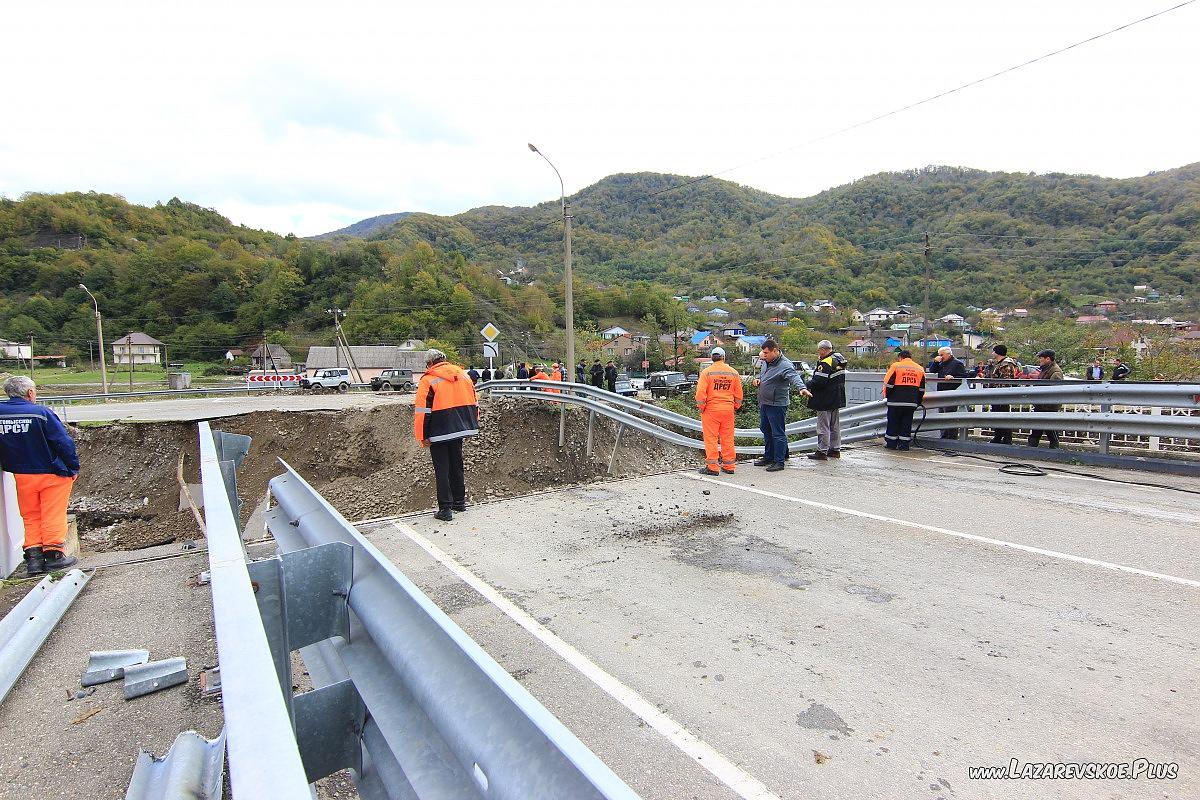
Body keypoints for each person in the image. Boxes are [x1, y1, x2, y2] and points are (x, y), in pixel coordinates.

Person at [0, 376, 79, 575]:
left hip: (22, 473)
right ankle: (54, 556)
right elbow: (63, 442)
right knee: (53, 514)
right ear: (30, 393)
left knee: (30, 515)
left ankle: (33, 560)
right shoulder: (41, 413)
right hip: (52, 472)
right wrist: (72, 467)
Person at [413, 349, 479, 522]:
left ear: (429, 363)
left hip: (439, 429)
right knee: (456, 464)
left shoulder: (428, 380)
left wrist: (423, 436)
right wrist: (471, 423)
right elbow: (474, 400)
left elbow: (423, 411)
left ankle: (445, 509)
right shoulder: (463, 375)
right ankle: (459, 502)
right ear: (444, 359)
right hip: (460, 427)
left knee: (442, 469)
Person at [751, 338, 805, 471]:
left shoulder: (785, 365)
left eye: (766, 353)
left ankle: (779, 461)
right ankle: (769, 456)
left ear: (775, 351)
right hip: (765, 402)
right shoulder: (766, 362)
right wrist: (758, 380)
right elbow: (764, 376)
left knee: (777, 433)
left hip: (777, 404)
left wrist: (801, 388)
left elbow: (794, 377)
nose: (763, 355)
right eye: (763, 352)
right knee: (766, 430)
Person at [695, 347, 743, 475]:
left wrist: (702, 408)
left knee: (711, 438)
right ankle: (729, 466)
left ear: (712, 358)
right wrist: (735, 407)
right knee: (727, 438)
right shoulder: (733, 373)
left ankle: (713, 468)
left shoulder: (707, 372)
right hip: (728, 410)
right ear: (724, 357)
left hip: (711, 410)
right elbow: (739, 395)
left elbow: (700, 393)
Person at [798, 340, 846, 460]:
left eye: (819, 350)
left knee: (823, 425)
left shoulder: (825, 363)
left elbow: (819, 381)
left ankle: (822, 451)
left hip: (825, 398)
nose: (818, 352)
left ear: (823, 350)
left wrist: (805, 384)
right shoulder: (839, 358)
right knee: (835, 425)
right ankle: (835, 449)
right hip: (837, 397)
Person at [882, 349, 925, 451]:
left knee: (893, 422)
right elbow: (922, 388)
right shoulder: (919, 369)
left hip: (895, 401)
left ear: (900, 357)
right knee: (906, 423)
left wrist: (888, 396)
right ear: (910, 357)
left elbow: (888, 384)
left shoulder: (896, 366)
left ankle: (891, 444)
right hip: (911, 402)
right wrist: (918, 401)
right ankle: (904, 445)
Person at [1028, 349, 1064, 449]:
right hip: (1041, 404)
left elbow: (1054, 390)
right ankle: (1031, 449)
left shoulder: (1056, 372)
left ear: (1048, 359)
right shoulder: (1046, 369)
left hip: (1049, 406)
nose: (1039, 360)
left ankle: (1055, 450)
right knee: (1036, 429)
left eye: (1041, 358)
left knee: (1051, 430)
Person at [985, 344, 1020, 445]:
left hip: (1001, 395)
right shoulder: (1002, 363)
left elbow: (1005, 381)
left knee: (1003, 416)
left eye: (993, 351)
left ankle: (1005, 438)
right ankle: (999, 436)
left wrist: (999, 393)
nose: (992, 353)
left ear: (997, 352)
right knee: (998, 415)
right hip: (998, 394)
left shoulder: (1005, 364)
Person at [930, 346, 968, 439]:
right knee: (942, 415)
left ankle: (951, 436)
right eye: (939, 355)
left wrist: (953, 377)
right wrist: (935, 362)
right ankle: (943, 435)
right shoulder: (941, 363)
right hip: (941, 392)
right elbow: (932, 370)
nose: (940, 357)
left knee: (950, 415)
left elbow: (963, 376)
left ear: (948, 354)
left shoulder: (957, 363)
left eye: (942, 355)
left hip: (951, 392)